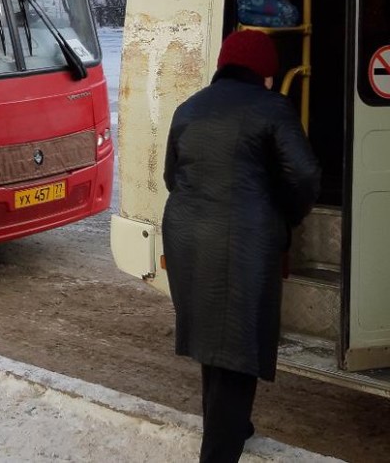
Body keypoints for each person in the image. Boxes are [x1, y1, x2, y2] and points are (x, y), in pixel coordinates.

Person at [161, 29, 320, 463]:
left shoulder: (190, 107)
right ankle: (219, 450)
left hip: (186, 236)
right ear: (265, 73)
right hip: (242, 240)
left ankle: (230, 425)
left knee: (215, 341)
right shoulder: (272, 107)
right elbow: (304, 177)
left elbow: (171, 177)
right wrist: (282, 214)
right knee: (237, 349)